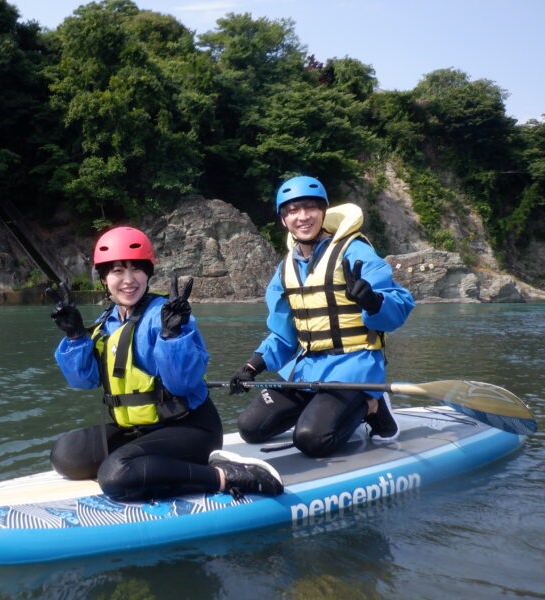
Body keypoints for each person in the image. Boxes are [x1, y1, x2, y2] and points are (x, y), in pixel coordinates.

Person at [48, 226, 283, 501]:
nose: (128, 280)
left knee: (114, 475)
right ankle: (146, 465)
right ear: (103, 279)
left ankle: (226, 476)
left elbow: (181, 384)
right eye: (117, 271)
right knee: (65, 455)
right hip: (138, 430)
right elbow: (83, 381)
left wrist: (173, 336)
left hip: (191, 429)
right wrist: (76, 337)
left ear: (148, 273)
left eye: (136, 269)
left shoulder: (169, 315)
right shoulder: (107, 322)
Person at [230, 176, 415, 457]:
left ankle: (372, 405)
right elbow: (283, 333)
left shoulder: (355, 251)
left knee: (312, 440)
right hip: (306, 370)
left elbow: (401, 305)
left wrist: (374, 301)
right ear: (283, 220)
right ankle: (324, 408)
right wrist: (253, 366)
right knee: (250, 428)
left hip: (354, 367)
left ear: (323, 212)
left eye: (310, 208)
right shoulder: (285, 269)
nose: (302, 217)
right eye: (292, 211)